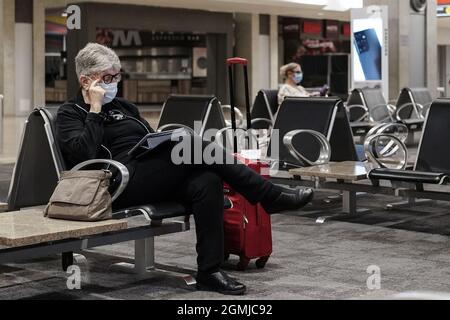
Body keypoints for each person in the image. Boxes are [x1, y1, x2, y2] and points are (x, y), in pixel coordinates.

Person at [56, 43, 314, 296]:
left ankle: (209, 272)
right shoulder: (71, 113)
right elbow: (82, 155)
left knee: (207, 179)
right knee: (192, 144)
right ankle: (268, 196)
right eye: (107, 77)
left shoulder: (126, 107)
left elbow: (148, 138)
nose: (114, 82)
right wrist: (96, 109)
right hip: (115, 184)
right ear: (86, 80)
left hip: (146, 174)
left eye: (117, 75)